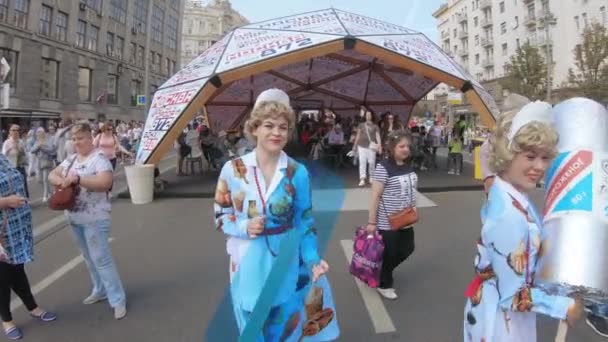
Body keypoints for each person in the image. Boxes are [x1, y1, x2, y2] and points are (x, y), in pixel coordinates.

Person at [213, 89, 338, 340]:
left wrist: (313, 257)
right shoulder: (233, 169)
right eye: (269, 125)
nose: (276, 132)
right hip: (247, 257)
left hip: (286, 258)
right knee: (251, 322)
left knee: (282, 322)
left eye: (283, 127)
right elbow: (220, 214)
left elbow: (305, 219)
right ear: (255, 128)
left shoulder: (297, 172)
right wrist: (243, 227)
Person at [463, 102, 583, 341]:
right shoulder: (507, 213)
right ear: (508, 154)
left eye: (545, 157)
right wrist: (562, 306)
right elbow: (513, 296)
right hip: (500, 321)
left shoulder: (510, 194)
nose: (539, 167)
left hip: (495, 308)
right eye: (530, 156)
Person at [48, 123, 127, 320]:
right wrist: (62, 181)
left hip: (95, 218)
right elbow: (52, 174)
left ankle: (117, 300)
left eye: (80, 138)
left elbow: (104, 183)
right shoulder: (72, 159)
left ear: (90, 138)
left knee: (101, 259)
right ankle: (99, 289)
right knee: (88, 258)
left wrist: (78, 179)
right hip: (74, 217)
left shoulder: (99, 159)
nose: (77, 142)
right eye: (74, 139)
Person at [0, 153, 56, 340]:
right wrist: (5, 202)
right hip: (1, 232)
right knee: (2, 278)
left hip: (14, 228)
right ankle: (7, 320)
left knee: (17, 270)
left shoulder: (3, 157)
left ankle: (32, 307)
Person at [365, 130, 417, 300]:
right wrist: (372, 222)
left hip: (406, 218)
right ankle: (384, 283)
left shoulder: (407, 165)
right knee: (390, 253)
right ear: (392, 147)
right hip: (387, 221)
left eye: (407, 146)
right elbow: (375, 196)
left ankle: (378, 271)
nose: (405, 149)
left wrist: (413, 206)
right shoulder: (383, 168)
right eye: (401, 146)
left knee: (408, 248)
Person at [351, 108, 382, 186]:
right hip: (361, 146)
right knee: (362, 162)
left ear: (372, 116)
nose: (368, 116)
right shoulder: (361, 125)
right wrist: (354, 146)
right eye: (367, 115)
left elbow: (377, 136)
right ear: (365, 116)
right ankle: (362, 178)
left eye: (369, 115)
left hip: (371, 147)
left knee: (371, 162)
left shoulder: (375, 126)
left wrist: (380, 146)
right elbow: (357, 135)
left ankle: (371, 176)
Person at [2, 125, 29, 198]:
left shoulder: (21, 142)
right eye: (13, 130)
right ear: (10, 132)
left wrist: (21, 150)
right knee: (14, 186)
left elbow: (26, 154)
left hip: (20, 166)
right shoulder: (7, 142)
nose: (15, 132)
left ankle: (25, 199)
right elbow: (3, 155)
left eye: (17, 130)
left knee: (23, 184)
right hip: (11, 168)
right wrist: (9, 149)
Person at [30, 128, 56, 202]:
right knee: (39, 180)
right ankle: (49, 192)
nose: (39, 134)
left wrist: (43, 148)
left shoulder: (48, 140)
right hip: (38, 162)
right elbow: (32, 150)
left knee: (45, 180)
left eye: (41, 132)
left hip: (46, 161)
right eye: (38, 132)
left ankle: (45, 195)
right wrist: (38, 147)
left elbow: (52, 150)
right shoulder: (36, 142)